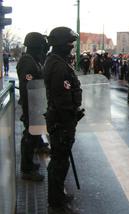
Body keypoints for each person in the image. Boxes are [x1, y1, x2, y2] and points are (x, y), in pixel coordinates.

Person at [44, 27, 83, 214]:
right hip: (62, 122)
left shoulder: (57, 61)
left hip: (61, 120)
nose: (72, 46)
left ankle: (58, 196)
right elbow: (62, 99)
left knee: (60, 161)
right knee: (59, 163)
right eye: (69, 43)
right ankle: (56, 204)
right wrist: (71, 116)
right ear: (61, 44)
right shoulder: (58, 66)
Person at [17, 32, 48, 182]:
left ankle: (29, 164)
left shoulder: (33, 60)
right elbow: (27, 86)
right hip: (31, 104)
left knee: (34, 135)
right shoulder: (28, 62)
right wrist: (30, 108)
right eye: (42, 46)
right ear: (36, 46)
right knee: (29, 136)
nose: (44, 49)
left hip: (35, 104)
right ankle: (26, 169)